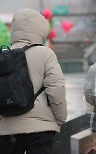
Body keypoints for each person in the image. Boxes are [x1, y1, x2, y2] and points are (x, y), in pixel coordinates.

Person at [0, 9, 67, 154]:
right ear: (41, 28)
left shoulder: (3, 56)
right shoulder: (45, 53)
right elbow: (56, 88)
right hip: (40, 129)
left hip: (7, 129)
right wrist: (61, 118)